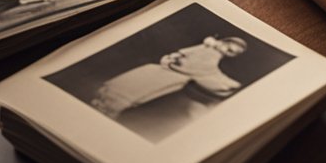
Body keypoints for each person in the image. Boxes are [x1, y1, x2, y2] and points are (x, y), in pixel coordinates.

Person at [91, 36, 247, 118]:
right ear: (223, 42)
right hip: (162, 70)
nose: (227, 51)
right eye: (228, 47)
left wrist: (225, 82)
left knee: (141, 91)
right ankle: (103, 100)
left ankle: (110, 108)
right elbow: (185, 55)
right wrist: (171, 58)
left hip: (173, 78)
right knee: (133, 81)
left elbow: (204, 72)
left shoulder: (213, 58)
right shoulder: (208, 49)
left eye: (232, 52)